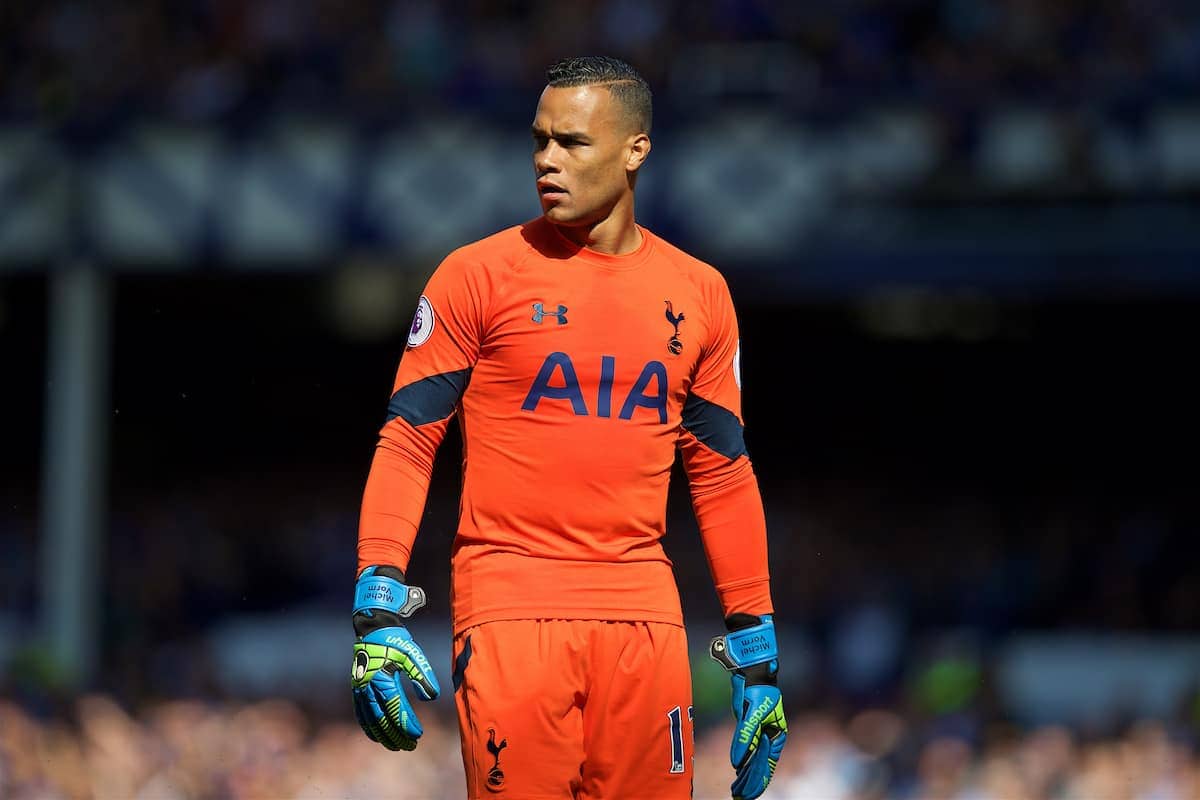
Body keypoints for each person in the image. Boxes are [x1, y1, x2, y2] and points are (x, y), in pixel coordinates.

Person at [350, 55, 787, 800]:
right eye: (539, 140)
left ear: (635, 149)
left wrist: (757, 654)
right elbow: (408, 435)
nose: (546, 161)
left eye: (573, 143)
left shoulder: (701, 293)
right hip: (511, 611)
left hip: (646, 621)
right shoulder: (476, 276)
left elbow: (720, 471)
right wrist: (375, 602)